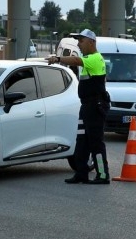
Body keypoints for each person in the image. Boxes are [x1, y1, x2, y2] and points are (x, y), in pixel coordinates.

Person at [46, 29, 111, 184]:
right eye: (78, 41)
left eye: (81, 41)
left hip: (95, 106)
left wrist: (58, 58)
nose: (79, 44)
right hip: (87, 106)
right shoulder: (88, 57)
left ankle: (103, 174)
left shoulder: (95, 58)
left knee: (96, 142)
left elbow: (75, 61)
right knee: (81, 141)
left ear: (91, 42)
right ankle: (81, 173)